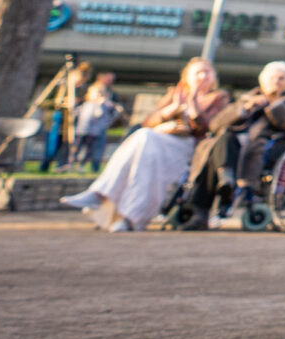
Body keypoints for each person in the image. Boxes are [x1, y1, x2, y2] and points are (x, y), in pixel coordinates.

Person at [62, 58, 223, 230]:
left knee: (144, 140)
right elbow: (147, 122)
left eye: (206, 71)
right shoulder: (175, 94)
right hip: (159, 142)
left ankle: (101, 194)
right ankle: (127, 216)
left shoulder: (218, 98)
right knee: (143, 146)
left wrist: (192, 106)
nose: (202, 76)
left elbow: (212, 128)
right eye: (197, 72)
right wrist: (170, 113)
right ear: (186, 77)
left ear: (214, 76)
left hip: (190, 148)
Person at [177, 61, 285, 224]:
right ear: (263, 80)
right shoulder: (246, 99)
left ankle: (207, 201)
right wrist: (245, 109)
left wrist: (273, 104)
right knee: (221, 140)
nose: (276, 81)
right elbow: (215, 125)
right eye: (272, 77)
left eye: (281, 78)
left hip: (264, 146)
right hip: (230, 143)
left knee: (221, 147)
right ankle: (224, 180)